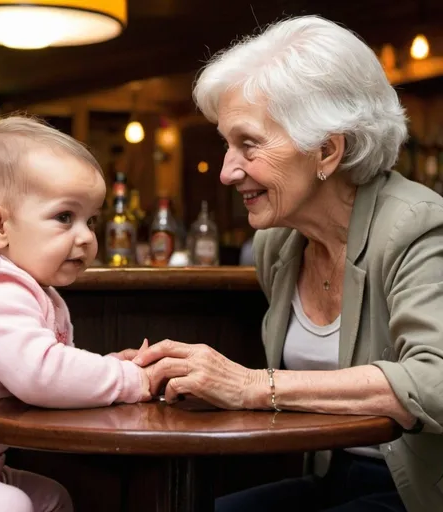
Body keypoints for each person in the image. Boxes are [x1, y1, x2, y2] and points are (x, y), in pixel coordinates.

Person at [133, 15, 443, 512]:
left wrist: (250, 385)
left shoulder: (418, 226)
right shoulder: (279, 244)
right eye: (226, 144)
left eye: (248, 144)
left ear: (326, 149)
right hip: (334, 476)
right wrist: (190, 382)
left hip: (419, 490)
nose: (227, 171)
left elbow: (435, 382)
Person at [0, 116, 151, 512]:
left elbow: (49, 368)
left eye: (92, 220)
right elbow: (41, 374)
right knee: (11, 506)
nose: (85, 236)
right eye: (65, 217)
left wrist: (106, 365)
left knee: (52, 498)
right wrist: (130, 379)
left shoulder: (20, 282)